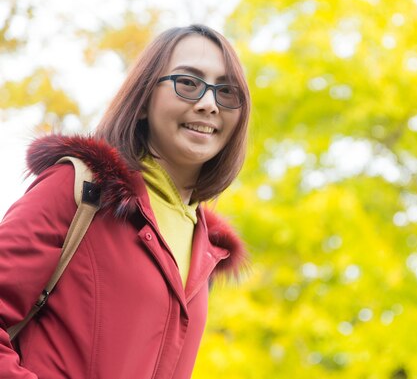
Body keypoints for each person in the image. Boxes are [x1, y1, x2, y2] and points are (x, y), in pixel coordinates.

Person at [0, 24, 250, 378]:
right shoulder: (80, 188)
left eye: (227, 92)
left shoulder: (205, 246)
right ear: (145, 100)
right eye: (188, 83)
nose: (209, 104)